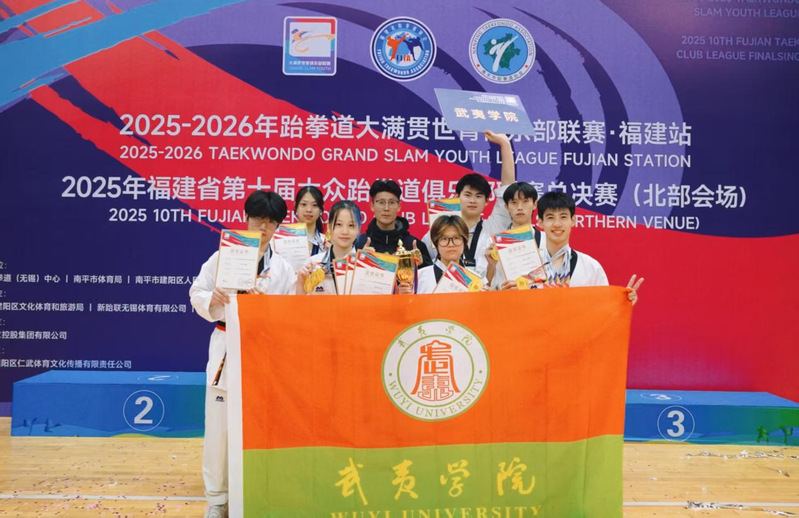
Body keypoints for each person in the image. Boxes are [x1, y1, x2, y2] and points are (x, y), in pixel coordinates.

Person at [189, 190, 296, 518]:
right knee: (219, 429)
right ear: (245, 218)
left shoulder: (283, 269)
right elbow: (196, 292)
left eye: (271, 222)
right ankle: (218, 500)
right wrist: (213, 297)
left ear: (278, 226)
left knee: (262, 425)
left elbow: (290, 313)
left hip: (263, 351)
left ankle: (257, 491)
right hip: (226, 346)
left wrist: (267, 308)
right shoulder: (221, 257)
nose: (263, 227)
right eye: (258, 219)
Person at [515, 191, 644, 302]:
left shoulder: (591, 267)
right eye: (550, 217)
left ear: (573, 220)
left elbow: (603, 308)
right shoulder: (525, 265)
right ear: (540, 222)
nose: (557, 224)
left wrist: (623, 303)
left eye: (563, 217)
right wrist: (509, 295)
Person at [421, 131, 516, 276]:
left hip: (488, 290)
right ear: (456, 197)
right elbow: (426, 268)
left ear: (486, 201)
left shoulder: (494, 226)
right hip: (449, 289)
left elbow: (507, 191)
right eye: (467, 195)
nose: (472, 200)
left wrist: (505, 145)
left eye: (479, 196)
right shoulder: (439, 231)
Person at [353, 179, 432, 267]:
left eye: (391, 202)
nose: (386, 208)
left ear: (399, 206)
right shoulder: (359, 244)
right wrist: (360, 262)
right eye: (381, 202)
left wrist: (421, 263)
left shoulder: (413, 245)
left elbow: (430, 273)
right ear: (372, 206)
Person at [485, 181, 544, 288]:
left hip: (538, 297)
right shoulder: (493, 243)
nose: (520, 207)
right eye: (514, 202)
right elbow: (486, 285)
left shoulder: (546, 240)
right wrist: (491, 265)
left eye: (525, 201)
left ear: (535, 204)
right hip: (504, 296)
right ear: (506, 207)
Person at [295, 200, 361, 295]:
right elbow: (299, 303)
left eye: (351, 225)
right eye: (339, 224)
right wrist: (301, 283)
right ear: (329, 227)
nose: (345, 231)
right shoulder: (312, 264)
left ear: (358, 229)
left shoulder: (364, 268)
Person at [415, 215, 486, 294]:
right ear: (436, 243)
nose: (451, 244)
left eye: (456, 238)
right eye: (444, 239)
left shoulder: (476, 282)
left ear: (464, 242)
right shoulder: (419, 277)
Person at [294, 185, 326, 256]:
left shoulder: (325, 242)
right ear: (295, 206)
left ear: (321, 209)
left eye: (314, 205)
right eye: (304, 204)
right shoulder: (283, 239)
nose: (309, 210)